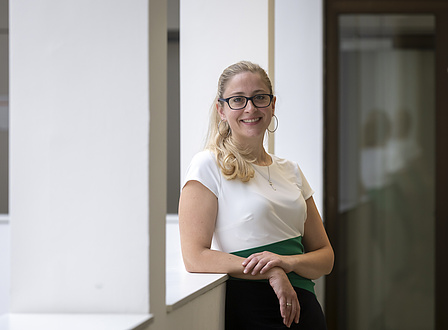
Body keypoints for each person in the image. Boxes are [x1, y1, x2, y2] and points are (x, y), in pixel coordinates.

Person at [178, 61, 334, 329]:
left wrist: (285, 262)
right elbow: (195, 257)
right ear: (221, 110)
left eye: (259, 98)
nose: (250, 108)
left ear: (272, 105)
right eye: (238, 100)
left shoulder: (291, 171)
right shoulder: (207, 165)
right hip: (252, 307)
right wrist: (272, 271)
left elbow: (325, 257)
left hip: (305, 307)